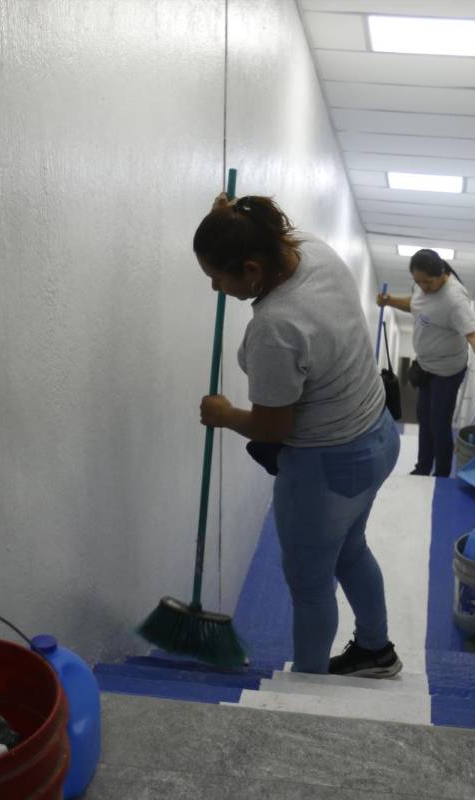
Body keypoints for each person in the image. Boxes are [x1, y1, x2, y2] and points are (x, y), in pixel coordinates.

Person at [194, 192, 402, 678]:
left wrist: (224, 414)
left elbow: (271, 427)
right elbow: (259, 230)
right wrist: (229, 217)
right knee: (351, 549)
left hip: (328, 468)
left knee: (310, 587)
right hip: (379, 434)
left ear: (251, 270)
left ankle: (309, 689)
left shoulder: (276, 326)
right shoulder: (309, 249)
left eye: (217, 278)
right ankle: (376, 651)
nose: (214, 288)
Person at [377, 249, 475, 477]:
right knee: (424, 417)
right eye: (418, 281)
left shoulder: (454, 300)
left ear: (441, 272)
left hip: (448, 371)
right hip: (426, 365)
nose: (423, 286)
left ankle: (441, 473)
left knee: (439, 422)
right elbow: (415, 304)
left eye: (427, 282)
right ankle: (422, 467)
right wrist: (390, 301)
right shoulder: (421, 287)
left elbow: (473, 334)